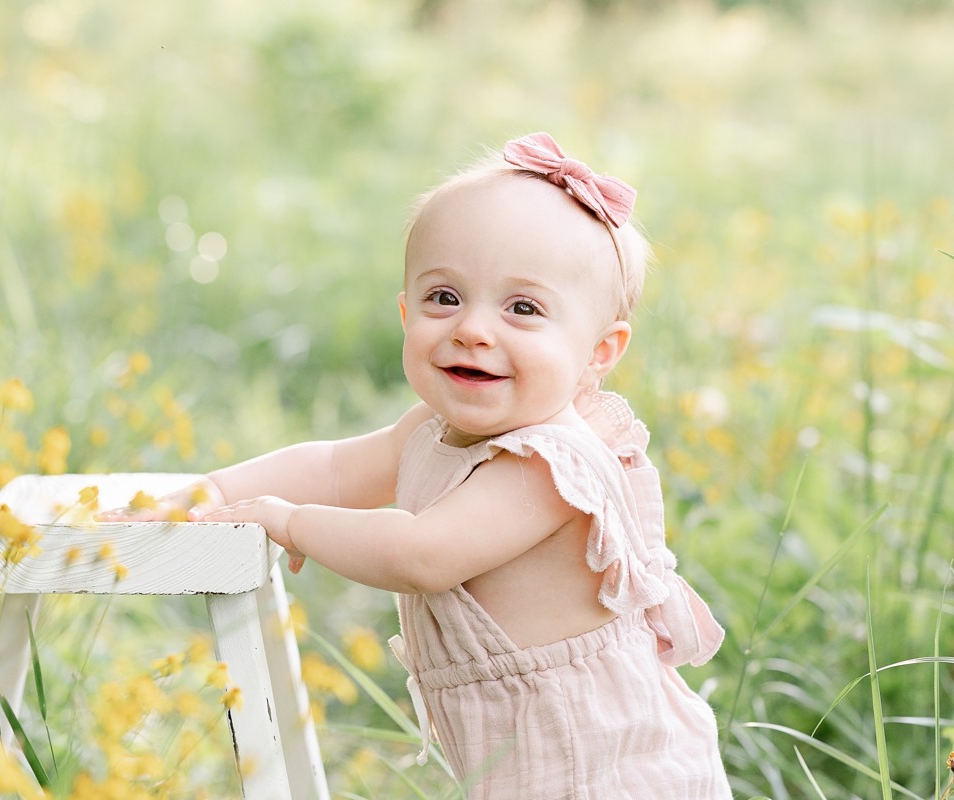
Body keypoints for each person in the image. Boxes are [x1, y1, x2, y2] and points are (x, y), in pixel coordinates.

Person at [100, 132, 730, 797]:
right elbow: (336, 468)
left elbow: (422, 554)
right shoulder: (434, 430)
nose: (473, 330)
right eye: (445, 298)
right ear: (406, 313)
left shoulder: (550, 468)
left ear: (600, 352)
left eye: (523, 309)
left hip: (603, 774)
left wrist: (288, 522)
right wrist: (208, 492)